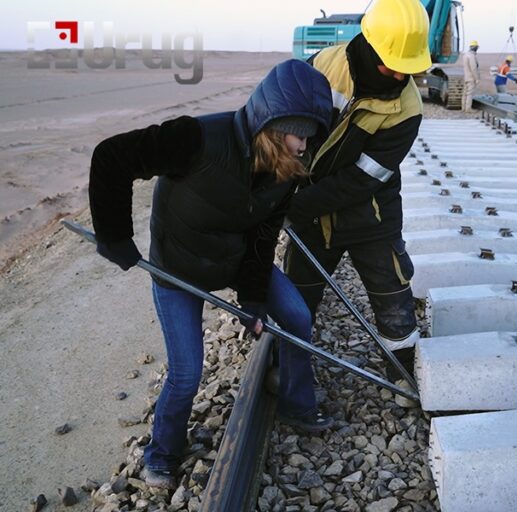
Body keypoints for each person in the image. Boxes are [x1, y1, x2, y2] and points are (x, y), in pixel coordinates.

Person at [88, 59, 334, 489]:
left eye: (310, 137)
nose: (304, 146)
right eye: (300, 135)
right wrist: (115, 235)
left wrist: (253, 298)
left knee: (297, 316)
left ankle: (297, 403)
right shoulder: (197, 139)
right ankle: (162, 454)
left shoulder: (286, 170)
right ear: (276, 127)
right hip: (177, 268)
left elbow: (263, 235)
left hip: (234, 260)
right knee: (187, 372)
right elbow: (112, 157)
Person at [284, 0, 432, 379]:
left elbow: (364, 178)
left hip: (372, 216)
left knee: (393, 303)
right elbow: (284, 128)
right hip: (312, 215)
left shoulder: (408, 108)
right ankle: (287, 371)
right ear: (370, 45)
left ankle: (404, 376)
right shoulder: (322, 66)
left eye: (407, 67)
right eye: (392, 64)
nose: (399, 75)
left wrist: (296, 206)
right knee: (295, 298)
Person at [462, 40, 480, 112]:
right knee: (469, 94)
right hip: (471, 78)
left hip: (466, 77)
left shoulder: (465, 55)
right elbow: (474, 68)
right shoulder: (472, 56)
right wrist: (477, 78)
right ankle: (468, 109)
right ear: (475, 47)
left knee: (465, 93)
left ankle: (463, 108)